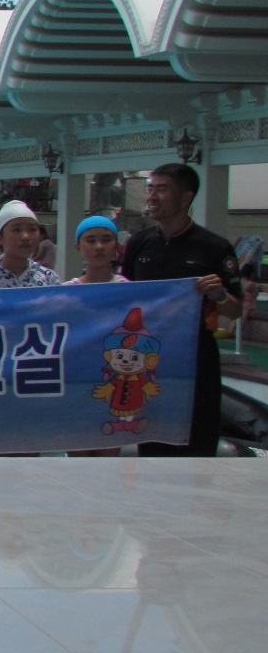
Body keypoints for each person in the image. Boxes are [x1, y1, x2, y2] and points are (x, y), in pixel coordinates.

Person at [120, 162, 242, 457]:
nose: (151, 197)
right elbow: (124, 297)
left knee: (199, 433)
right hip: (148, 355)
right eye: (150, 189)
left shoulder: (214, 247)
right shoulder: (139, 244)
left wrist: (219, 294)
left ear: (186, 197)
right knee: (150, 433)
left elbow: (236, 310)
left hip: (195, 355)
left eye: (161, 189)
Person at [66, 216, 129, 285]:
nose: (99, 246)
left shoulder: (128, 287)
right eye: (91, 241)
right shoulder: (68, 289)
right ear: (78, 247)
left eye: (106, 240)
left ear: (117, 246)